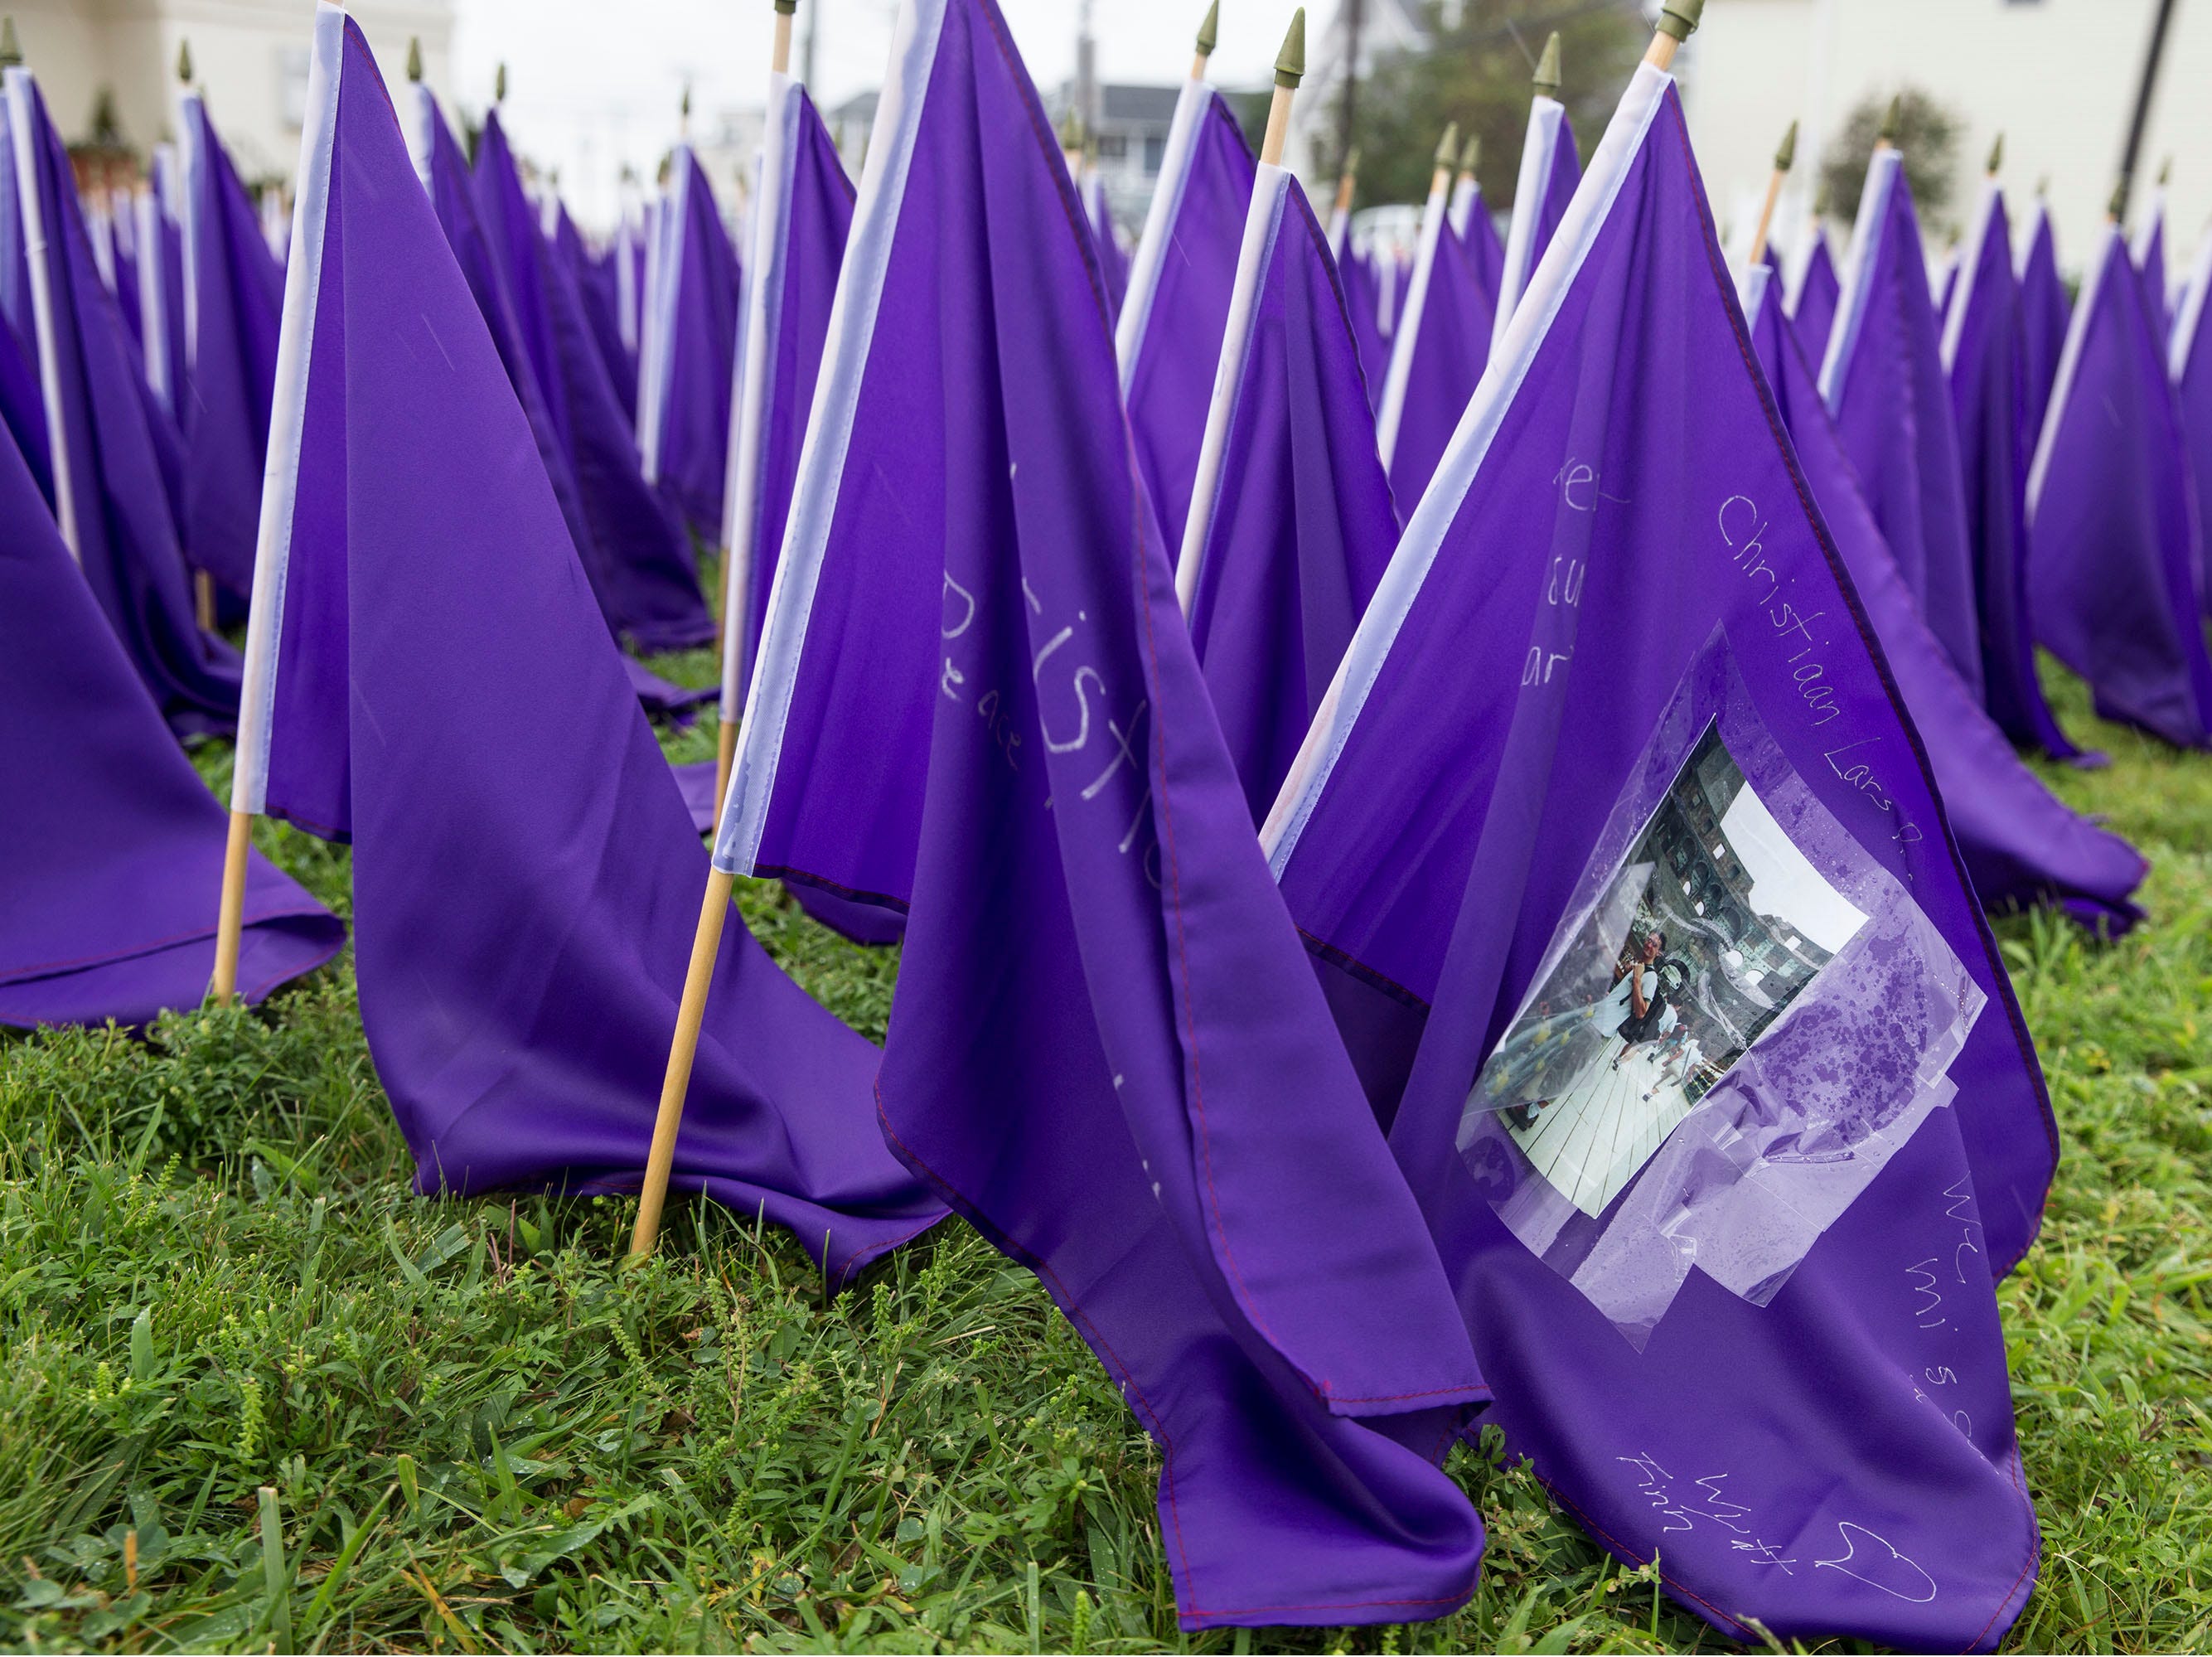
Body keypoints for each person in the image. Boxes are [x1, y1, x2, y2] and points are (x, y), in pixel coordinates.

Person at [1488, 929, 1663, 1130]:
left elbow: (1641, 1012)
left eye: (1655, 945)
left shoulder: (1650, 978)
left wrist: (1638, 980)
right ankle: (1527, 1100)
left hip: (1598, 1030)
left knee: (1565, 1071)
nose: (1649, 945)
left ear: (1658, 953)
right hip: (1593, 1021)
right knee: (1556, 1059)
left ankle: (1531, 1110)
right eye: (1649, 940)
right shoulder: (1637, 968)